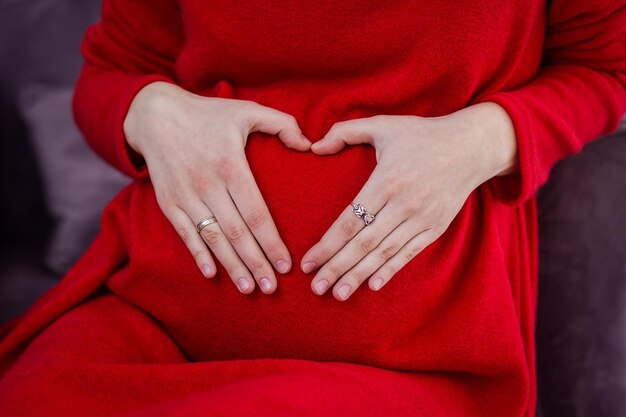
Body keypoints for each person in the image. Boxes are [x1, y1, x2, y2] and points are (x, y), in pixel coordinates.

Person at [0, 1, 624, 416]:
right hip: (148, 318)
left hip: (415, 354)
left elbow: (608, 65)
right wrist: (150, 112)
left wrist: (481, 139)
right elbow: (114, 67)